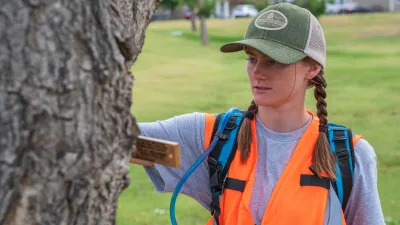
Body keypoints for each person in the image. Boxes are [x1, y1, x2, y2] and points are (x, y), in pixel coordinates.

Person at [133, 3, 385, 225]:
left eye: (274, 60)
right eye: (252, 58)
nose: (258, 72)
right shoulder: (214, 137)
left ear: (313, 67)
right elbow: (123, 141)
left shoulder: (349, 156)